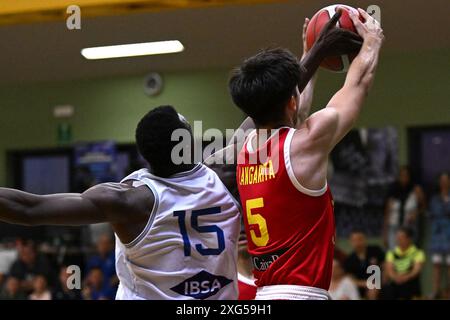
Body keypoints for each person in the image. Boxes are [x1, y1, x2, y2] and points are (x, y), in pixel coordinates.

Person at [0, 105, 241, 300]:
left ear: (144, 155)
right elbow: (261, 114)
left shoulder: (129, 201)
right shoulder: (223, 175)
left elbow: (30, 209)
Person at [231, 8, 383, 300]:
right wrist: (372, 41)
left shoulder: (245, 149)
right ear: (291, 99)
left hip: (264, 295)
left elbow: (295, 111)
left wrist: (310, 54)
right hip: (302, 294)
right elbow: (358, 85)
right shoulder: (306, 142)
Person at [383, 166, 426, 249]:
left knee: (409, 253)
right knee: (394, 252)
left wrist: (416, 213)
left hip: (409, 226)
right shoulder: (392, 191)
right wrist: (384, 234)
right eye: (402, 175)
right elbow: (387, 214)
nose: (404, 178)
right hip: (394, 226)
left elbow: (424, 207)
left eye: (406, 175)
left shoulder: (416, 190)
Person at [383, 227, 425, 300]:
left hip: (410, 283)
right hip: (395, 282)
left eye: (401, 237)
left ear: (409, 239)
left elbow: (416, 270)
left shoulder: (418, 253)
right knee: (386, 289)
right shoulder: (391, 253)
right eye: (397, 238)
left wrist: (405, 278)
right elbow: (389, 270)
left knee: (406, 287)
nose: (398, 240)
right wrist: (395, 277)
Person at [344, 229, 384, 299]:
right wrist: (366, 284)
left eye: (360, 239)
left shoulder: (376, 250)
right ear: (350, 242)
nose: (357, 242)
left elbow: (385, 266)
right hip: (360, 287)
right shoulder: (349, 259)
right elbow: (350, 279)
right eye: (354, 240)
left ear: (365, 239)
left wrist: (380, 282)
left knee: (373, 290)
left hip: (380, 283)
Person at [428, 172, 450, 299]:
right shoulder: (435, 199)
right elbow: (433, 213)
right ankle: (435, 291)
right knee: (436, 263)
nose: (444, 182)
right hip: (437, 233)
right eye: (442, 180)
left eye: (446, 180)